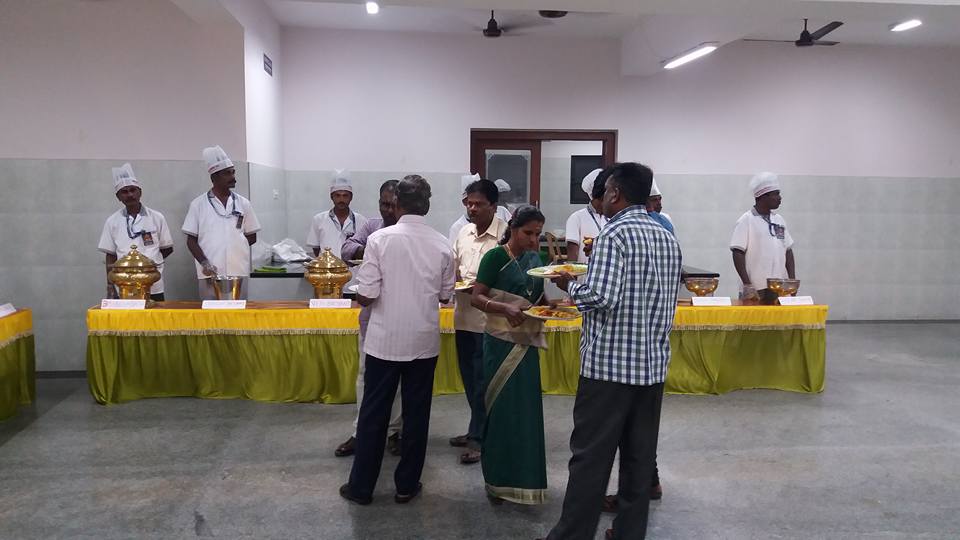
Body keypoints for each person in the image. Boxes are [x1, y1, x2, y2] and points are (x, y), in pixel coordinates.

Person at [542, 162, 682, 540]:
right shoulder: (666, 235)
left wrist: (569, 285)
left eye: (605, 192)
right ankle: (628, 532)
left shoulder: (613, 234)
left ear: (616, 193)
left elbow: (600, 297)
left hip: (609, 369)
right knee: (639, 457)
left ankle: (573, 534)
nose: (602, 199)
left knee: (590, 457)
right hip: (651, 367)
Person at [340, 175, 455, 506]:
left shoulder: (379, 240)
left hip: (384, 342)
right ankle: (406, 485)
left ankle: (361, 488)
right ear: (427, 206)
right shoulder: (441, 244)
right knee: (416, 416)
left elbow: (367, 294)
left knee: (373, 415)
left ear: (398, 204)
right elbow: (445, 296)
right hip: (423, 342)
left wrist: (361, 292)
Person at [471, 205, 551, 505]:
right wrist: (504, 308)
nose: (533, 240)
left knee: (525, 412)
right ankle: (497, 481)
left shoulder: (537, 259)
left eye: (538, 234)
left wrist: (554, 304)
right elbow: (477, 296)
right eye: (528, 233)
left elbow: (537, 297)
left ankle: (525, 482)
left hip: (527, 344)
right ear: (513, 229)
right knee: (501, 411)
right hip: (500, 343)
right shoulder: (495, 257)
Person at [335, 179, 403, 458]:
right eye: (384, 204)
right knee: (365, 376)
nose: (388, 210)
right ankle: (361, 431)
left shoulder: (410, 232)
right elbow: (346, 249)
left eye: (393, 205)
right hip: (370, 316)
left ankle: (395, 431)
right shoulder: (371, 227)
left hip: (400, 317)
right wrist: (370, 249)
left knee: (398, 380)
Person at [450, 179, 509, 465]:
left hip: (489, 322)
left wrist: (480, 288)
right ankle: (477, 428)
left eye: (479, 204)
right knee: (469, 379)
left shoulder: (505, 235)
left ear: (493, 207)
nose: (472, 209)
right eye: (469, 204)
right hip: (463, 317)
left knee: (482, 382)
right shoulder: (463, 232)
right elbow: (454, 269)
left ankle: (479, 438)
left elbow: (509, 277)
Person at [182, 146, 261, 300]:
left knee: (239, 312)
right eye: (227, 173)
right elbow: (191, 241)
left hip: (238, 272)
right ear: (214, 178)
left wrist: (235, 247)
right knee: (211, 313)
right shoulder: (198, 205)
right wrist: (205, 263)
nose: (233, 177)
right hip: (209, 274)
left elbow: (252, 236)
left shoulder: (243, 203)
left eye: (233, 172)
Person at [98, 163, 174, 301]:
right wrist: (110, 286)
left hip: (153, 285)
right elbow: (110, 256)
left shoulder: (157, 217)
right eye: (124, 192)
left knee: (154, 314)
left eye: (133, 190)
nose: (130, 195)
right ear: (118, 197)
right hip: (124, 286)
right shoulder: (112, 221)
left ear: (140, 192)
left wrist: (148, 265)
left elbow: (167, 248)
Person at [730, 172, 796, 304]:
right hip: (756, 288)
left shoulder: (779, 220)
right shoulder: (746, 220)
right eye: (776, 194)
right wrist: (747, 284)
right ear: (763, 196)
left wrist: (792, 280)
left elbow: (788, 250)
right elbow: (737, 252)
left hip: (779, 287)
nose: (780, 198)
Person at [306, 169, 368, 259]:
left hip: (352, 267)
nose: (341, 200)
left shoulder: (362, 221)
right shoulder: (319, 219)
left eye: (345, 196)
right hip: (327, 267)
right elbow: (316, 249)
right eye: (337, 195)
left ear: (351, 197)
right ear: (331, 197)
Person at [448, 174, 512, 243]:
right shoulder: (458, 227)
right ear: (465, 202)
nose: (474, 208)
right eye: (471, 203)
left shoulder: (502, 212)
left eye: (479, 203)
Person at [565, 168, 609, 263]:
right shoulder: (576, 218)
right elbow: (572, 252)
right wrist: (572, 271)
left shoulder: (612, 218)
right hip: (585, 271)